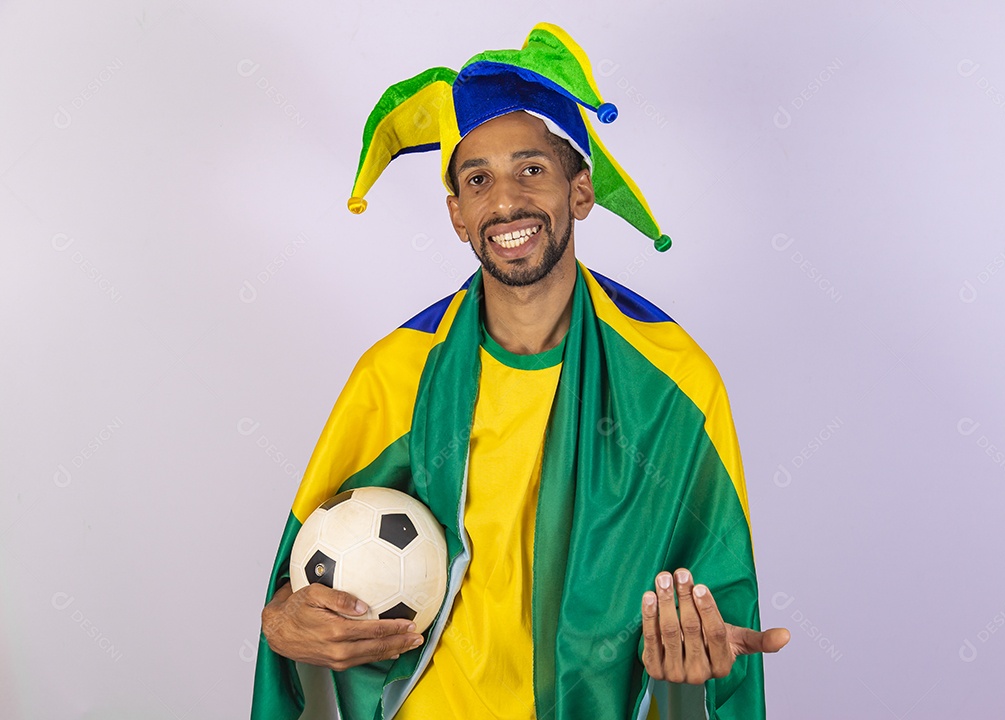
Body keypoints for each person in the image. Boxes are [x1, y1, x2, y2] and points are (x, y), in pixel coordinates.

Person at [252, 23, 789, 720]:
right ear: (456, 213)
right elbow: (296, 584)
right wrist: (280, 623)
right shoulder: (395, 375)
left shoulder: (676, 383)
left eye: (531, 169)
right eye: (478, 180)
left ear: (581, 190)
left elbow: (717, 610)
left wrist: (694, 682)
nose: (505, 202)